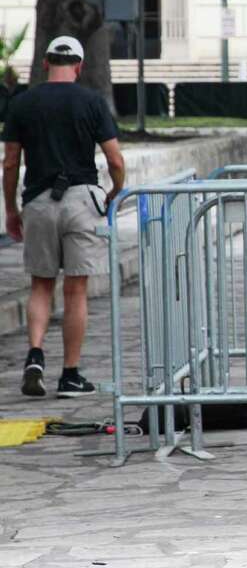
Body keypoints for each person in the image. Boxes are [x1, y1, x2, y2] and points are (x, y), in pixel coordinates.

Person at [2, 35, 125, 399]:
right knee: (76, 288)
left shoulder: (22, 103)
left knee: (41, 283)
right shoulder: (91, 101)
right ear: (80, 66)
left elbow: (10, 162)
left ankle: (36, 353)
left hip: (38, 201)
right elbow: (115, 159)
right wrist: (115, 191)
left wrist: (11, 209)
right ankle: (70, 374)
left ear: (45, 64)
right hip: (80, 200)